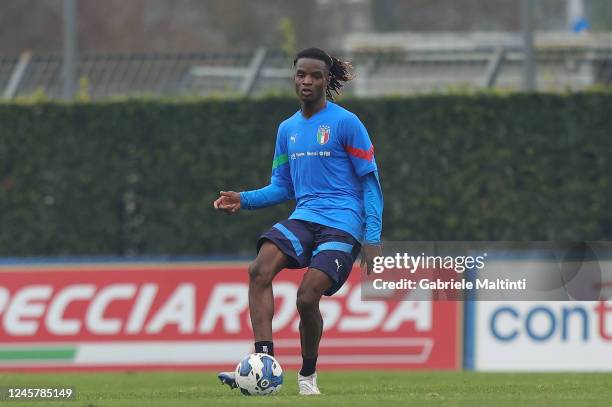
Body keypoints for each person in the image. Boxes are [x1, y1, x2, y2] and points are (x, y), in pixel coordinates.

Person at [214, 47, 383, 396]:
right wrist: (243, 199)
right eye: (301, 75)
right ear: (294, 78)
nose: (306, 81)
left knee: (307, 298)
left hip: (342, 222)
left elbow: (370, 182)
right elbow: (282, 187)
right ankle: (264, 363)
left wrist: (372, 237)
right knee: (259, 270)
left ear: (326, 80)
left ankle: (308, 377)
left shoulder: (347, 123)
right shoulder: (286, 129)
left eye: (315, 75)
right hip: (304, 216)